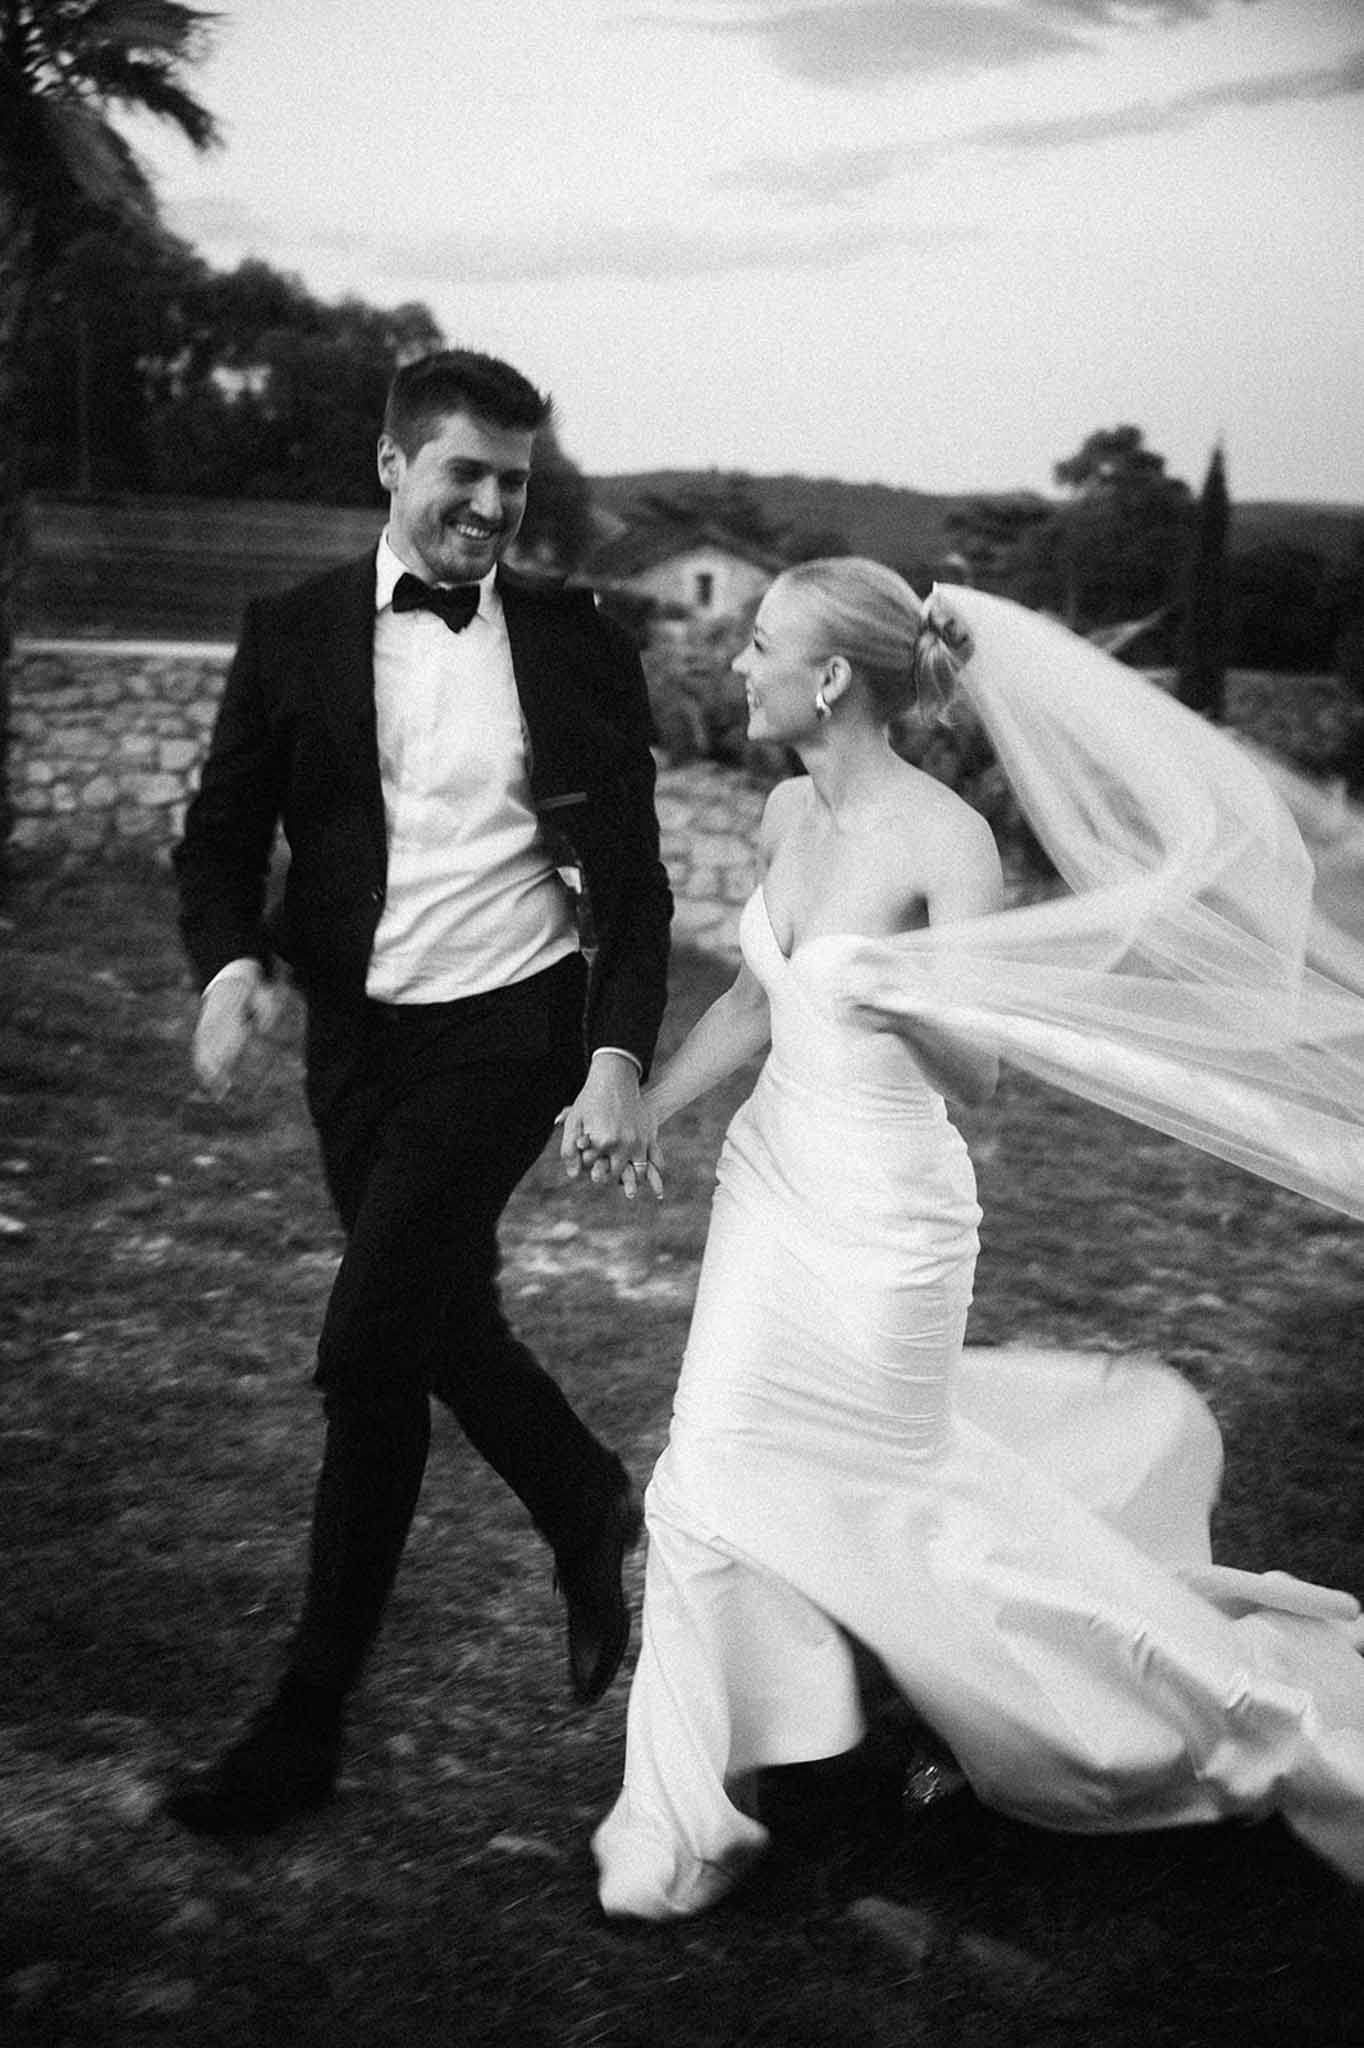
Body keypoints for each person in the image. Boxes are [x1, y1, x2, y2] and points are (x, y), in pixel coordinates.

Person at [588, 556, 1364, 1919]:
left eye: (761, 644)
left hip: (891, 1224)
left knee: (885, 1508)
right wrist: (649, 1104)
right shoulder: (781, 810)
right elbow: (757, 1002)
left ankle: (1141, 1715)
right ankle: (725, 1813)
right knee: (707, 1479)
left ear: (830, 677)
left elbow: (983, 1076)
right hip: (771, 1191)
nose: (740, 665)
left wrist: (908, 1011)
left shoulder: (947, 839)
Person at [165, 348, 672, 1836]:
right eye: (467, 474)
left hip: (508, 1033)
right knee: (434, 1329)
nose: (493, 507)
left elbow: (633, 888)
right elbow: (218, 841)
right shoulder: (294, 631)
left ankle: (303, 1723)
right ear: (394, 468)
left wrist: (617, 1053)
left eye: (514, 481)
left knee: (368, 1342)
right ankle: (582, 1495)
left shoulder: (577, 644)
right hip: (354, 1044)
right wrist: (226, 967)